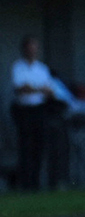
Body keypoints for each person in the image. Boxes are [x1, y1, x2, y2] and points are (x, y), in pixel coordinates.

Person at [9, 36, 51, 191]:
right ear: (24, 49)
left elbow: (48, 90)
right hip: (24, 110)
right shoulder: (18, 67)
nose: (33, 51)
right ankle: (26, 183)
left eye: (35, 47)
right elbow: (20, 89)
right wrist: (38, 89)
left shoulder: (42, 68)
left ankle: (36, 182)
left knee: (39, 147)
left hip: (39, 109)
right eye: (30, 47)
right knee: (26, 147)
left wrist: (34, 88)